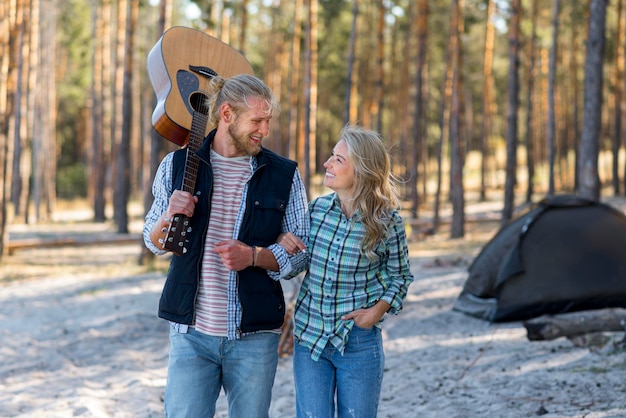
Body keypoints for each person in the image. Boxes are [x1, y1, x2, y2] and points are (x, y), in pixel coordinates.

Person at [143, 74, 309, 418]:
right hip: (191, 334)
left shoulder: (284, 175)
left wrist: (255, 256)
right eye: (257, 120)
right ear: (227, 114)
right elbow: (154, 242)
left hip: (256, 336)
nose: (264, 130)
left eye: (268, 121)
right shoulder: (176, 166)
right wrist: (169, 215)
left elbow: (301, 252)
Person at [278, 124, 414, 418]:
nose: (327, 163)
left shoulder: (387, 222)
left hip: (357, 342)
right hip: (310, 338)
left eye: (338, 160)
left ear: (362, 171)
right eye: (331, 155)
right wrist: (282, 242)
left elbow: (400, 276)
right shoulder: (317, 210)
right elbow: (295, 266)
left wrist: (377, 311)